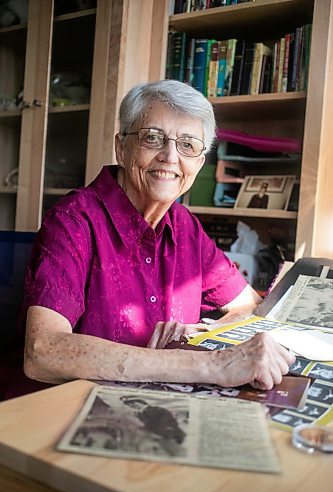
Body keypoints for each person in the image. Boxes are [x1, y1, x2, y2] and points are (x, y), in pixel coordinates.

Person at [22, 80, 294, 391]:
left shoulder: (185, 225)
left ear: (199, 163)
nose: (170, 156)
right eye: (153, 138)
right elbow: (43, 352)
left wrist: (199, 334)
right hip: (63, 411)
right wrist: (210, 363)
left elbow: (248, 305)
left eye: (188, 145)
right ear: (121, 147)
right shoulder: (73, 220)